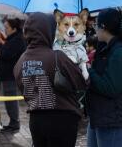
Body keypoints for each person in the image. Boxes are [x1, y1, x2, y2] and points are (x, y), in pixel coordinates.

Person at [13, 12, 87, 147]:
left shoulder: (20, 62)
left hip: (36, 120)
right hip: (62, 119)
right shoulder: (57, 57)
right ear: (48, 31)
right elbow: (81, 82)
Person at [86, 9, 122, 147]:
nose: (94, 28)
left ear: (103, 27)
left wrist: (88, 71)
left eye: (96, 25)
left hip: (115, 118)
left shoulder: (120, 52)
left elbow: (111, 88)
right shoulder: (105, 47)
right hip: (102, 114)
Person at [0, 18, 26, 132]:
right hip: (7, 74)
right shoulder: (13, 38)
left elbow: (6, 54)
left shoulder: (17, 40)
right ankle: (13, 122)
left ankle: (14, 123)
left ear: (14, 28)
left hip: (11, 75)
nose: (5, 30)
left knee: (11, 99)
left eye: (7, 28)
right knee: (9, 99)